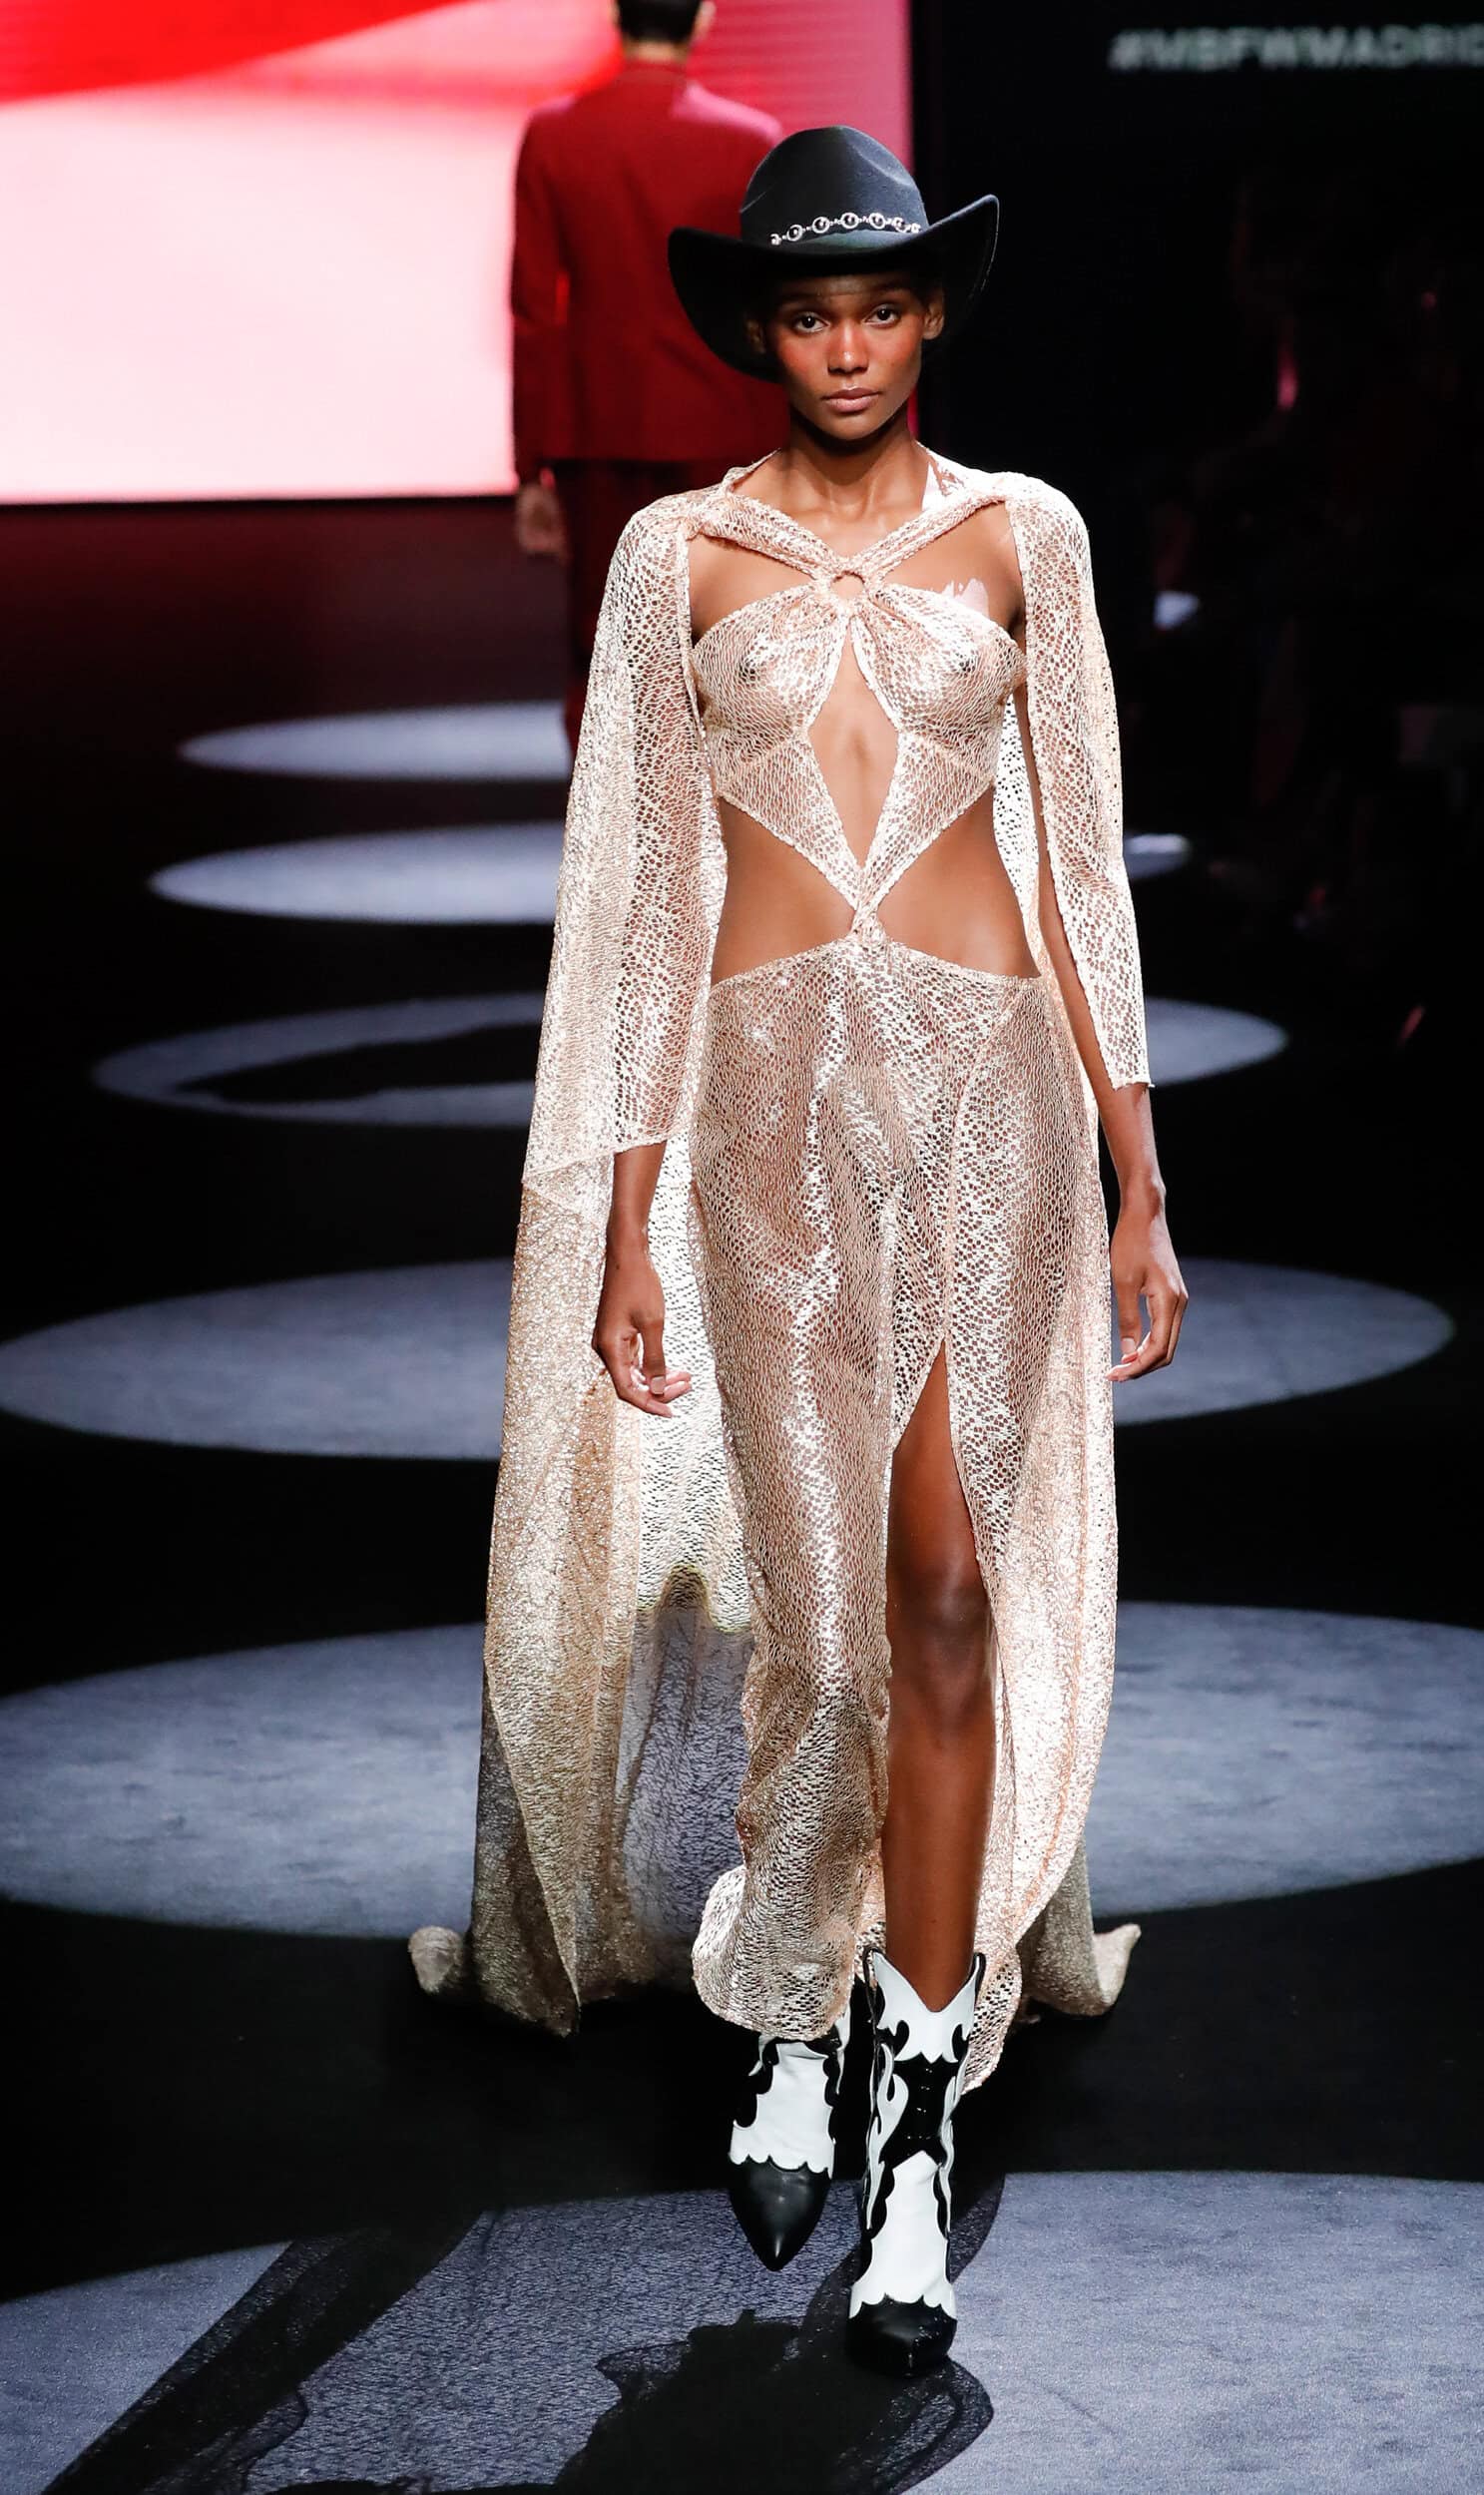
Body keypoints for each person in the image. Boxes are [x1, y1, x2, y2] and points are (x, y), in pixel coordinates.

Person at [413, 126, 1186, 2380]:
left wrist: (1141, 1175)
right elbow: (643, 900)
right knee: (822, 1623)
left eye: (883, 306)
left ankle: (911, 2127)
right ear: (762, 329)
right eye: (810, 311)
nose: (848, 345)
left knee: (942, 1600)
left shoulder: (1025, 534)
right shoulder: (676, 556)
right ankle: (780, 2002)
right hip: (760, 1126)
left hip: (990, 1112)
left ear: (932, 315)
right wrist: (623, 1213)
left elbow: (1085, 864)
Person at [509, 0, 780, 743]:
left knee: (607, 649)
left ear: (614, 13)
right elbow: (771, 305)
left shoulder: (555, 134)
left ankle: (614, 817)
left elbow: (534, 311)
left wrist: (530, 468)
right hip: (725, 429)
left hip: (600, 427)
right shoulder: (748, 142)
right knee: (730, 645)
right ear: (703, 18)